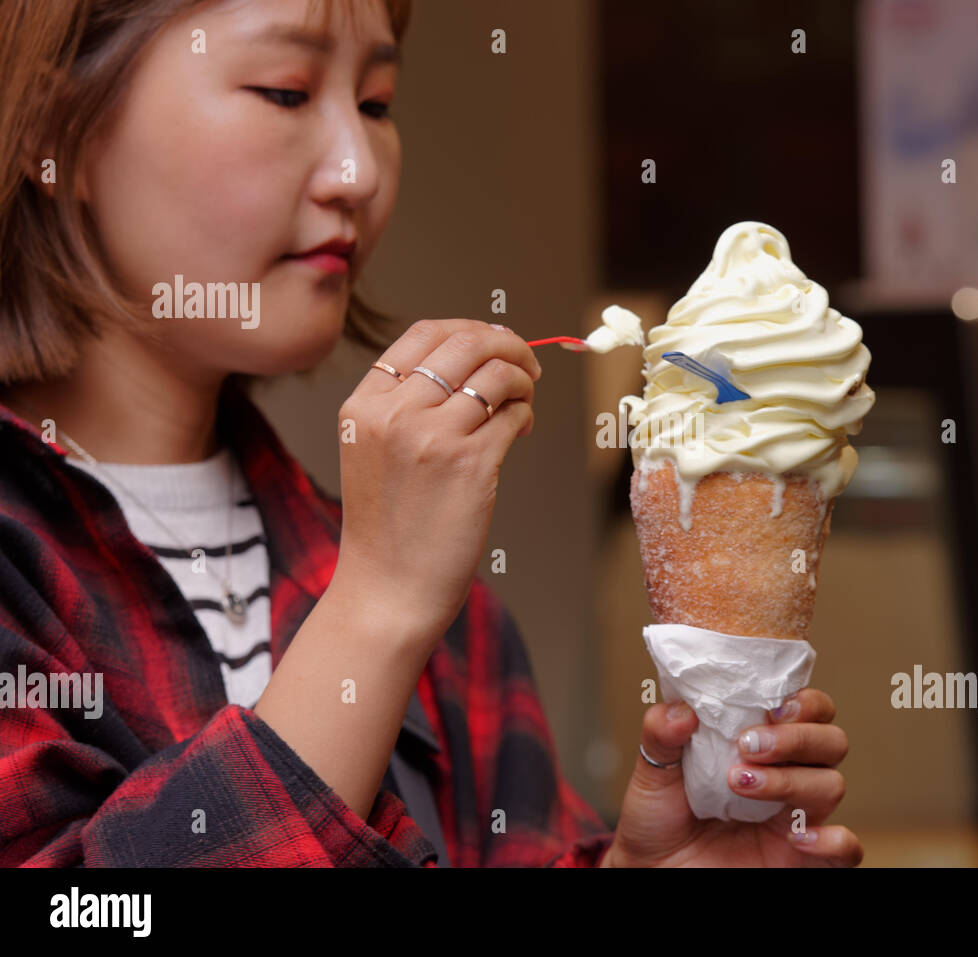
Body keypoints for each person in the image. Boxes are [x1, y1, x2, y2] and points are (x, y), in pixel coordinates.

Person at [0, 0, 862, 867]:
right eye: (284, 90)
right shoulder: (402, 587)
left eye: (376, 104)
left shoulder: (452, 619)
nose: (357, 172)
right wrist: (375, 609)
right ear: (56, 127)